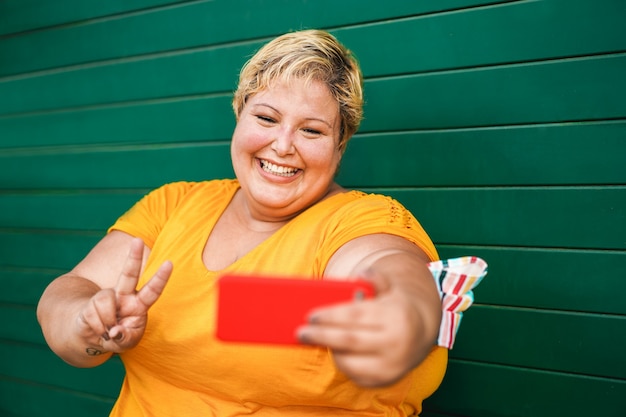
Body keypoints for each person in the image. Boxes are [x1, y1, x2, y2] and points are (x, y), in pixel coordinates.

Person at [37, 29, 448, 416]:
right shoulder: (174, 204)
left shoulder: (360, 218)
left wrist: (402, 313)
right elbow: (69, 292)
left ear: (340, 146)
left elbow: (392, 267)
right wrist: (86, 323)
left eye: (311, 130)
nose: (283, 145)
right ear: (239, 115)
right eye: (267, 119)